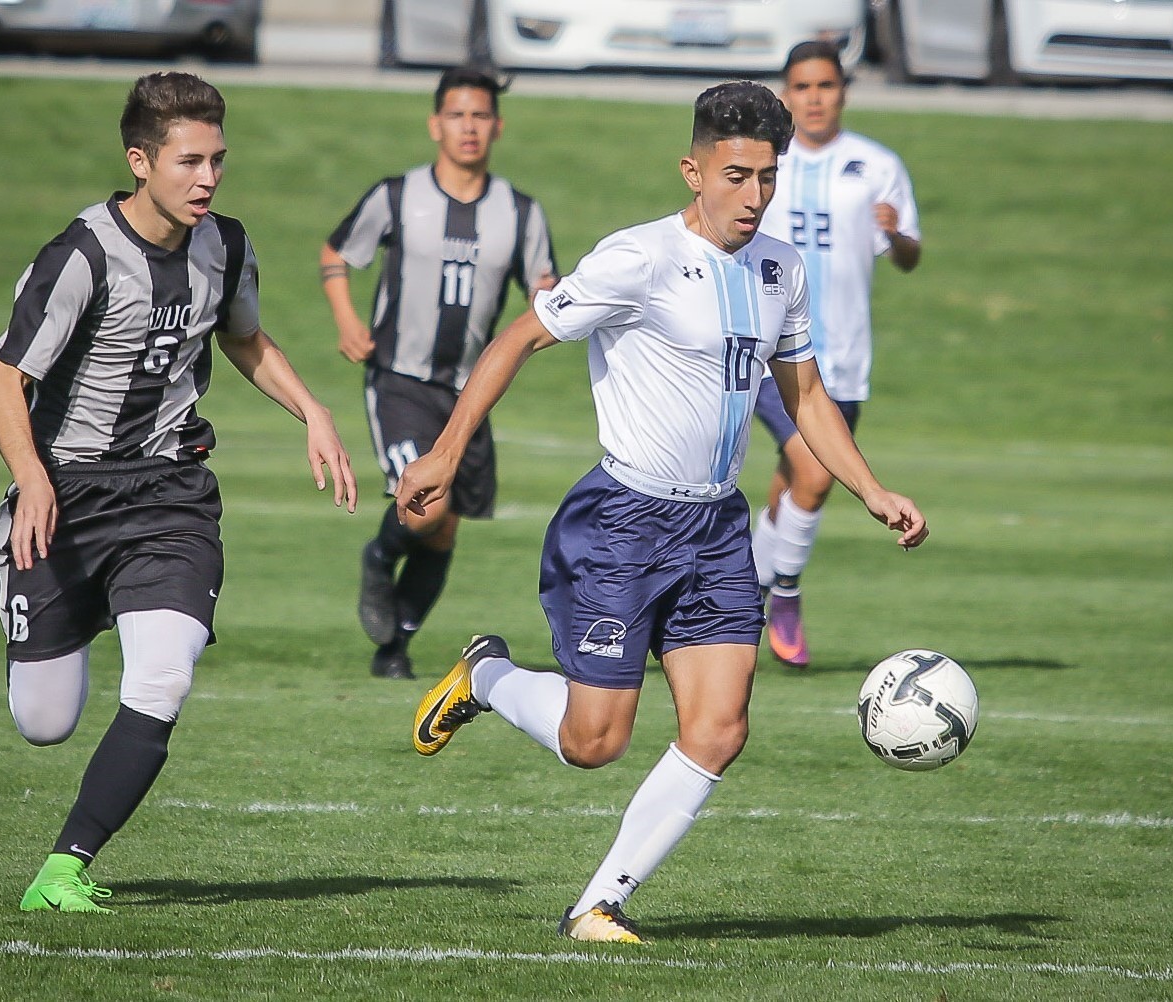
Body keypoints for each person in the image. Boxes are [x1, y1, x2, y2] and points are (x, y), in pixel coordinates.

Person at [397, 80, 928, 943]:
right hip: (623, 524)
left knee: (719, 728)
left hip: (717, 531)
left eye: (768, 176)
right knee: (593, 743)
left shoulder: (777, 269)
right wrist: (447, 452)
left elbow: (805, 393)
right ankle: (487, 677)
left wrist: (871, 489)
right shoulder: (637, 259)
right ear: (694, 169)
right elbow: (518, 338)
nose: (753, 195)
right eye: (736, 175)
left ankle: (598, 903)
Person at [0, 72, 358, 914]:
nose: (208, 179)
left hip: (169, 496)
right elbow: (5, 381)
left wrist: (313, 409)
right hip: (67, 499)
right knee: (44, 722)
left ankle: (64, 868)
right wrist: (31, 480)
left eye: (218, 160)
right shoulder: (80, 254)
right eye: (190, 162)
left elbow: (245, 340)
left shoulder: (224, 245)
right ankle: (14, 554)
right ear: (140, 160)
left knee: (163, 678)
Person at [321, 65, 557, 681]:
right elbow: (337, 253)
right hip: (398, 378)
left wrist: (551, 307)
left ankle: (394, 646)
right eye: (457, 115)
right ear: (436, 124)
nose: (469, 127)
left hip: (468, 396)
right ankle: (378, 555)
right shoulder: (398, 196)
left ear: (497, 126)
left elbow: (544, 287)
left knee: (444, 528)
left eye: (480, 116)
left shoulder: (520, 212)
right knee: (426, 508)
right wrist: (347, 319)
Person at [752, 40, 923, 669]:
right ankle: (784, 596)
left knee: (790, 488)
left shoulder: (876, 165)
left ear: (843, 91)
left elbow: (908, 257)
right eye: (802, 87)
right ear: (785, 95)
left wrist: (895, 234)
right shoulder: (767, 164)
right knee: (816, 472)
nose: (814, 98)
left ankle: (735, 595)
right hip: (772, 354)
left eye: (825, 86)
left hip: (843, 359)